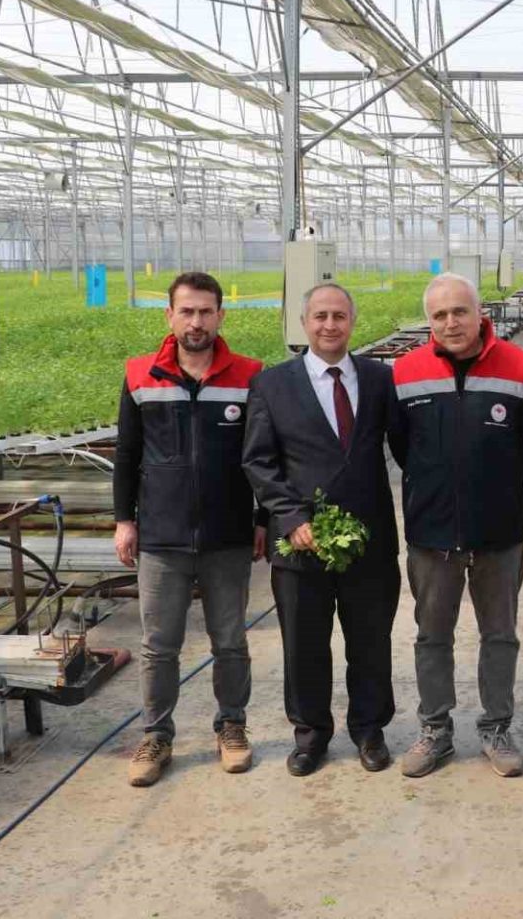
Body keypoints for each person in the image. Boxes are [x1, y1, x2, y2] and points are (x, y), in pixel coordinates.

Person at [242, 282, 401, 777]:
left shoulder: (380, 379)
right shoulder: (273, 385)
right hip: (300, 545)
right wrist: (291, 518)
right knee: (304, 645)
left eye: (339, 316)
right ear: (304, 323)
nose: (330, 325)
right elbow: (259, 461)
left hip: (368, 541)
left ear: (352, 321)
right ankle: (310, 735)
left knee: (370, 641)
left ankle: (369, 730)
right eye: (320, 316)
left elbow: (407, 447)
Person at [114, 271, 266, 787]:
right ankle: (156, 735)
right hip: (161, 535)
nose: (196, 321)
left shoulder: (249, 376)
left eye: (205, 311)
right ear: (170, 316)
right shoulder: (141, 376)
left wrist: (263, 519)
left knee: (230, 641)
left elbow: (264, 456)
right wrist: (124, 521)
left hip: (227, 535)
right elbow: (127, 455)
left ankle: (232, 726)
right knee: (159, 645)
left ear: (221, 316)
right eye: (187, 311)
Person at [391, 273, 523, 779]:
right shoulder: (405, 371)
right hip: (431, 533)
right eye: (440, 315)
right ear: (428, 321)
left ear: (481, 313)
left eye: (460, 311)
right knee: (432, 635)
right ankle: (435, 729)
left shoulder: (519, 366)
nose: (451, 322)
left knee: (499, 634)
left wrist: (492, 485)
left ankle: (496, 727)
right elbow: (401, 446)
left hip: (500, 530)